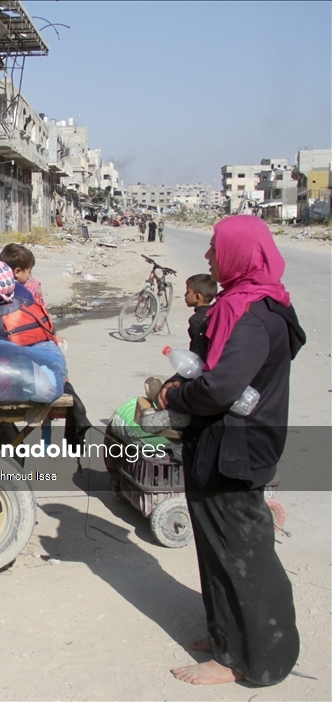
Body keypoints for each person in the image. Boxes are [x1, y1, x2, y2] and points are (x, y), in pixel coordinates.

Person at [159, 216, 304, 687]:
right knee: (217, 547)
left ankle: (252, 660)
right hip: (222, 444)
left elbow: (220, 387)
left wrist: (173, 397)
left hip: (236, 451)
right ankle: (225, 634)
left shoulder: (254, 313)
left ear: (241, 254)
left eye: (215, 249)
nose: (208, 257)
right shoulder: (241, 305)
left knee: (244, 554)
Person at [0, 242, 45, 307]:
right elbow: (41, 311)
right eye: (29, 271)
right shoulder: (28, 291)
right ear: (17, 272)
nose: (30, 275)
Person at [184, 273, 216, 358]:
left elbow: (198, 348)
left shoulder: (195, 319)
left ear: (197, 297)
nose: (185, 295)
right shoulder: (215, 312)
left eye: (188, 292)